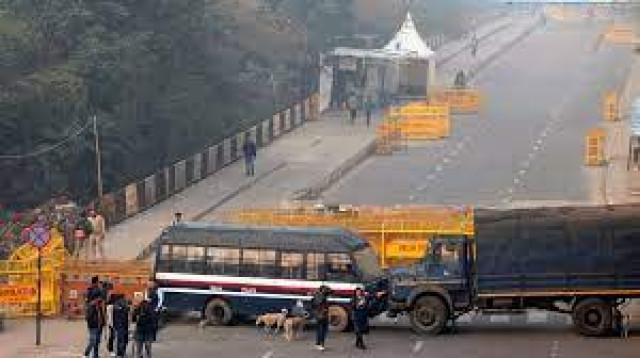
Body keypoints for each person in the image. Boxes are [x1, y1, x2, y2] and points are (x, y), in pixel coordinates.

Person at [311, 285, 331, 351]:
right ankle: (319, 344)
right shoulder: (320, 296)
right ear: (323, 290)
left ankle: (320, 344)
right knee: (321, 330)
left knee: (322, 330)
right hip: (321, 315)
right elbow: (318, 305)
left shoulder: (319, 295)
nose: (327, 291)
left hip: (321, 315)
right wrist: (324, 310)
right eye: (326, 290)